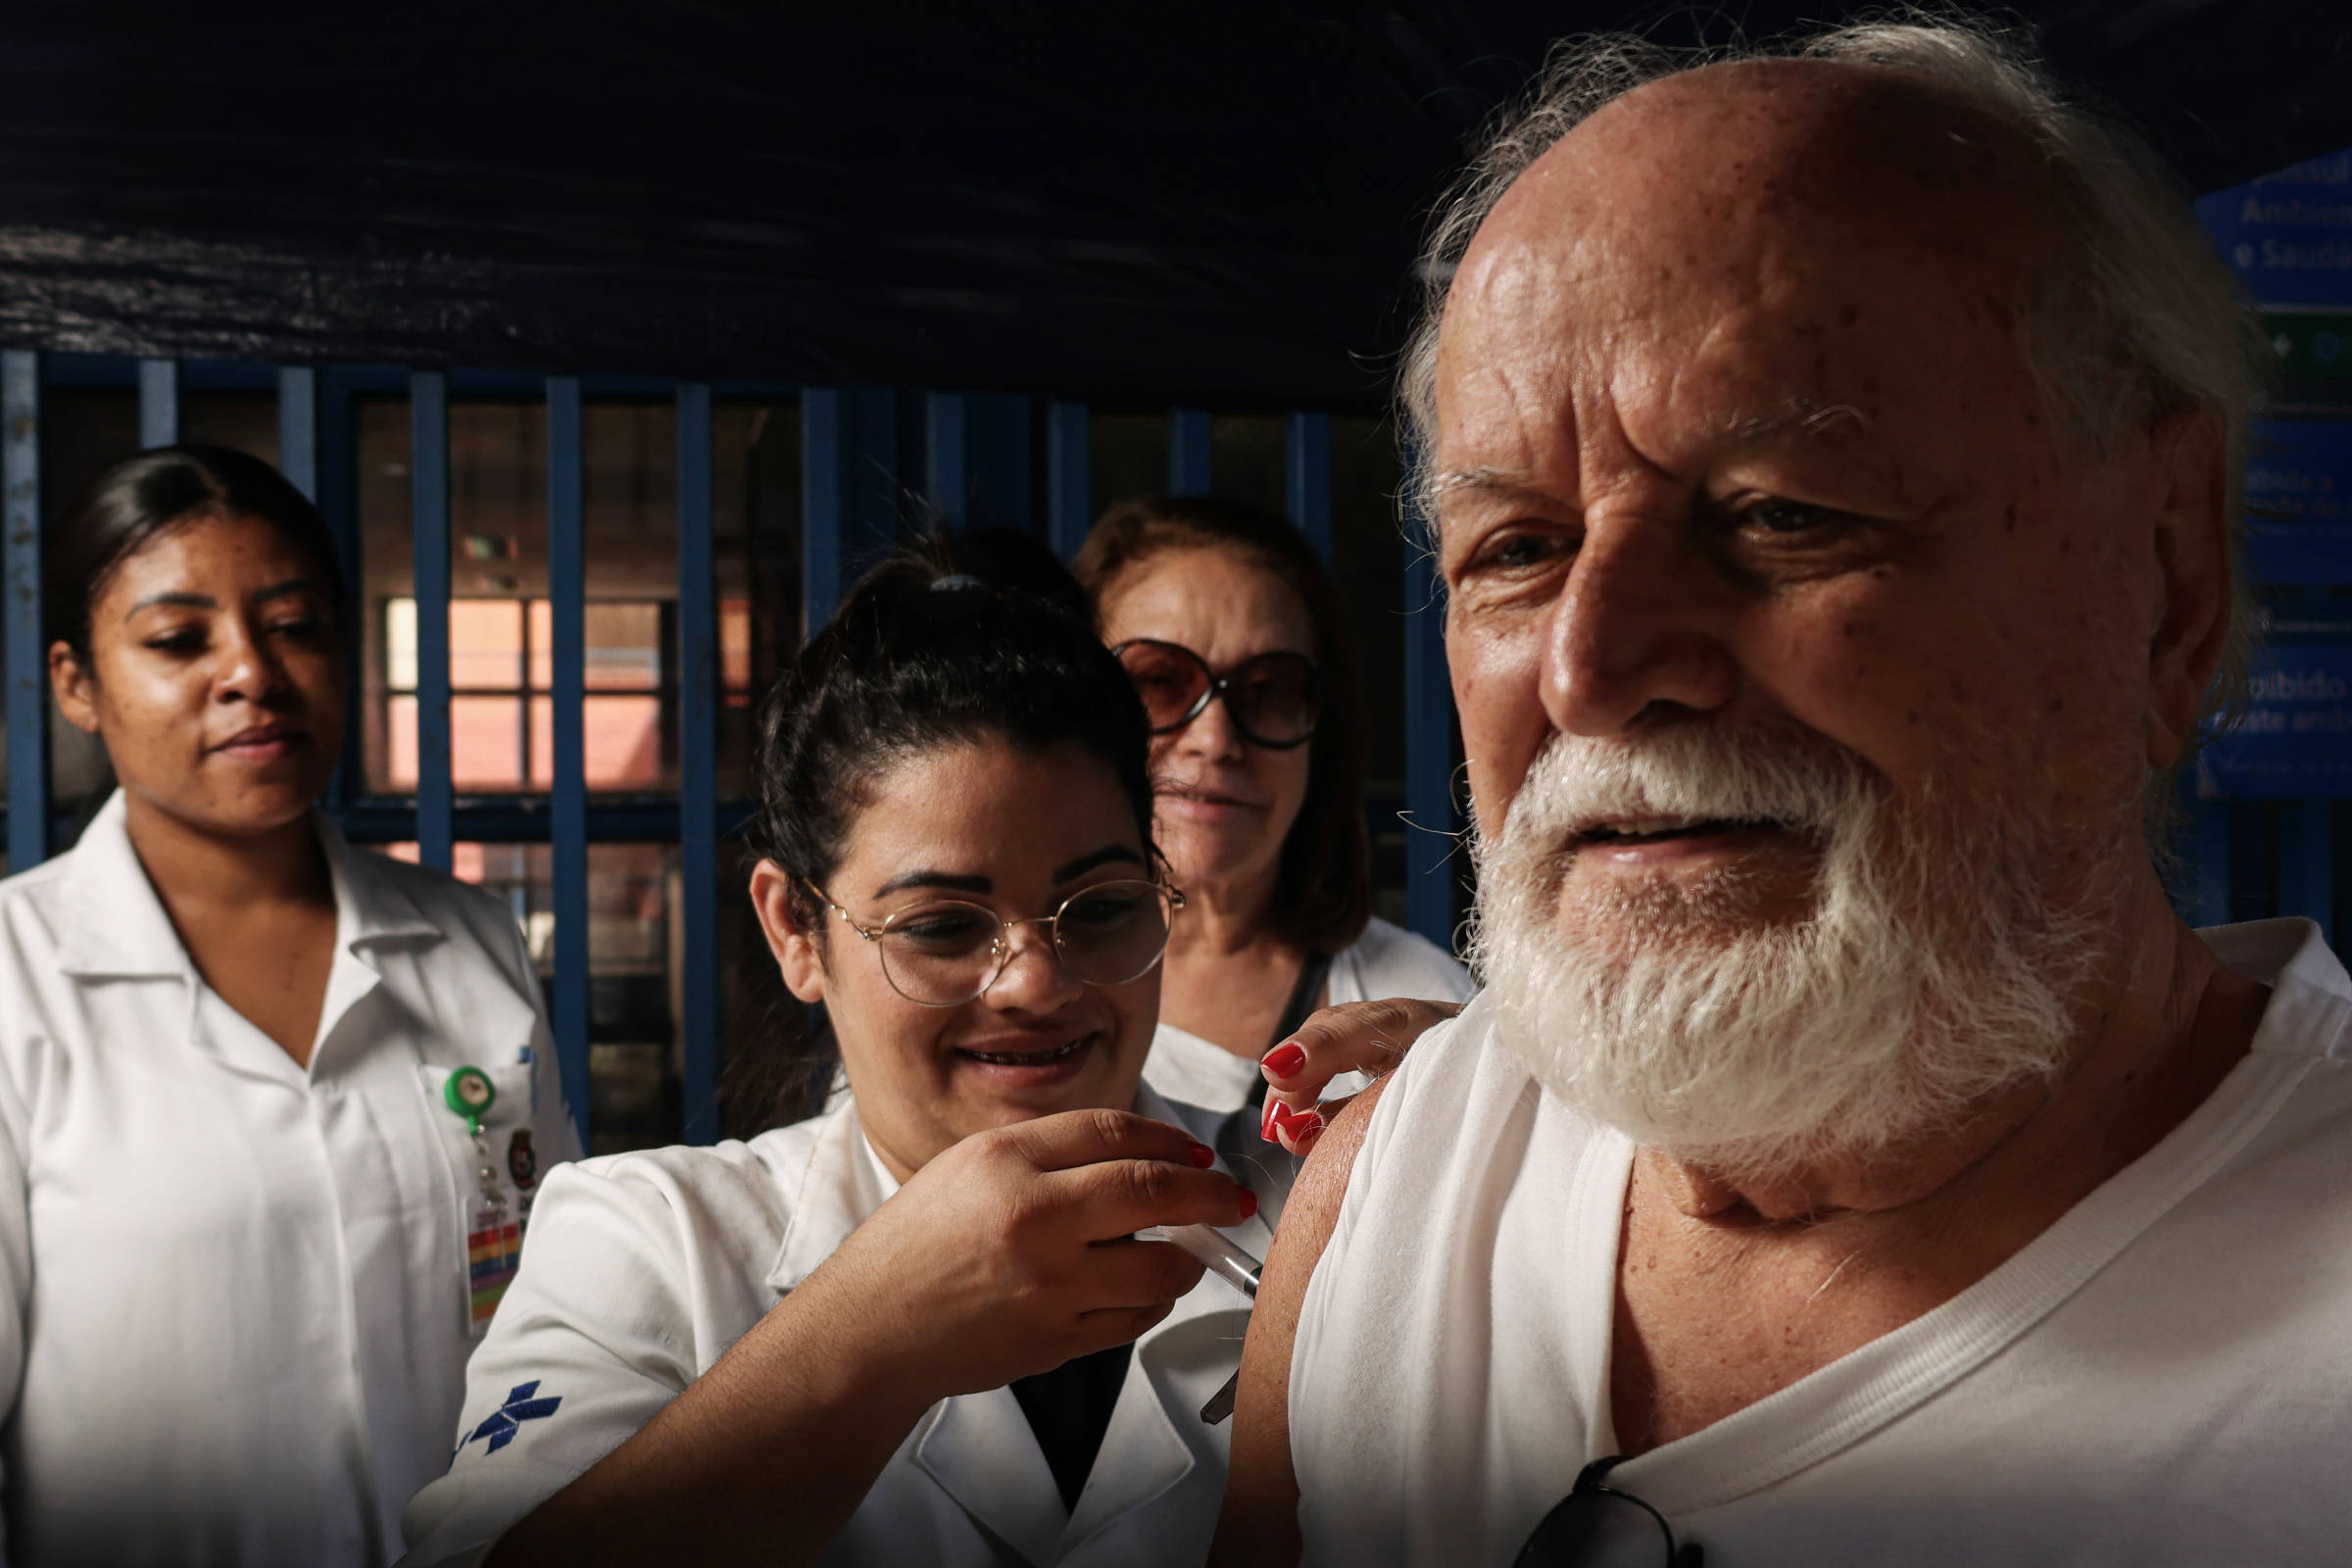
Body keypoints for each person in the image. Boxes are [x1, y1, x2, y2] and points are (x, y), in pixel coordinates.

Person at [1216, 18, 2352, 1566]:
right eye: (1518, 550)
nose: (1590, 668)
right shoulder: (1388, 1196)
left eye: (1781, 513)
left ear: (2166, 580)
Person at [399, 536, 1266, 1568]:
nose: (1036, 982)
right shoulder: (650, 1239)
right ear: (794, 932)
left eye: (1104, 907)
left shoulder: (1301, 1193)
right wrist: (876, 1329)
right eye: (942, 926)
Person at [0, 445, 578, 1565]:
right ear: (77, 683)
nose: (252, 673)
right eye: (179, 640)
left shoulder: (470, 943)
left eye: (296, 625)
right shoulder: (17, 975)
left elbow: (554, 1318)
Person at [1075, 496, 1469, 1165]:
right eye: (1159, 682)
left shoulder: (1417, 996)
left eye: (1267, 689)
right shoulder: (1011, 988)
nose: (1217, 739)